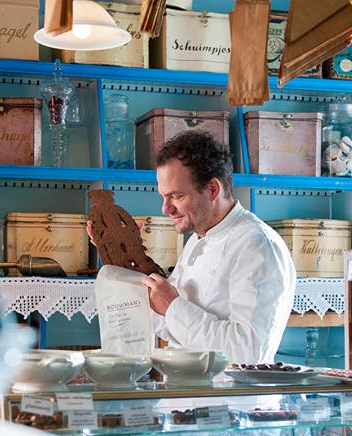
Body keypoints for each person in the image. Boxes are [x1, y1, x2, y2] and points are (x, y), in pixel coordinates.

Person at [89, 131, 296, 364]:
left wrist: (172, 306)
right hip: (188, 394)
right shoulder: (198, 238)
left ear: (213, 190)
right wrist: (120, 255)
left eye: (176, 196)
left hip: (231, 398)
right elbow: (169, 325)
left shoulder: (257, 245)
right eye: (163, 197)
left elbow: (248, 352)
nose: (165, 209)